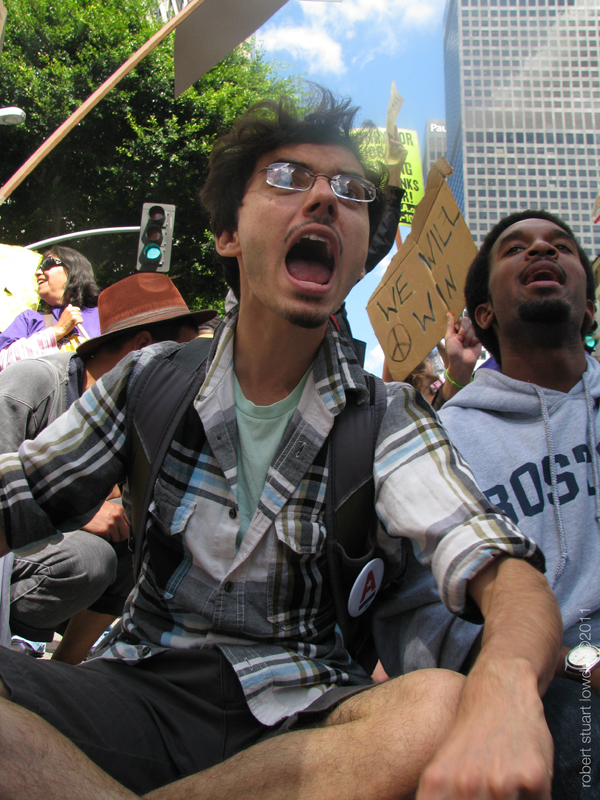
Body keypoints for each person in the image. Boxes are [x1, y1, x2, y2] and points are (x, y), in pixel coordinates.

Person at [0, 92, 561, 800]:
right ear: (229, 235)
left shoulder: (390, 417)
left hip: (310, 725)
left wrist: (507, 693)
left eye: (352, 191)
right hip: (130, 693)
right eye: (289, 178)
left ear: (358, 258)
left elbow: (500, 569)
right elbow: (18, 496)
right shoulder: (148, 379)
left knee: (444, 704)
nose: (327, 198)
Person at [375, 209, 600, 797]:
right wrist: (543, 667)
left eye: (560, 246)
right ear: (483, 316)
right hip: (546, 681)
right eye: (515, 249)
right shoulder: (440, 442)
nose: (541, 251)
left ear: (591, 307)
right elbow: (409, 613)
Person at [1, 273, 216, 665]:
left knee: (131, 552)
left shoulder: (142, 418)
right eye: (181, 358)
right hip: (15, 558)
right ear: (145, 348)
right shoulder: (32, 382)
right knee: (91, 558)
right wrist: (80, 512)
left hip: (49, 562)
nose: (191, 376)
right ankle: (16, 651)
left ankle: (65, 672)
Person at [0, 246, 101, 369]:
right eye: (38, 269)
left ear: (72, 269)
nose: (38, 273)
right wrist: (56, 331)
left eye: (47, 264)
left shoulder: (103, 314)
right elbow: (3, 362)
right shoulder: (29, 319)